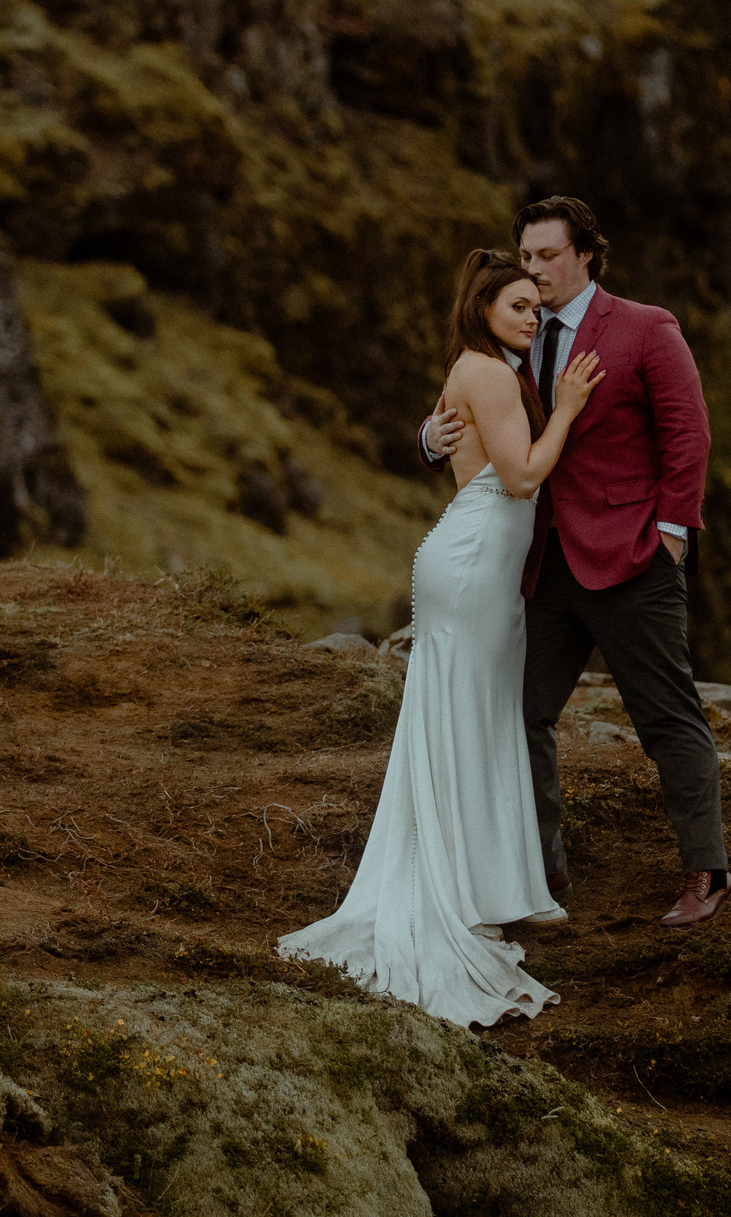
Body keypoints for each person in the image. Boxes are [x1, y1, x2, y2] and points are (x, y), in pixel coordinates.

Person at [279, 249, 603, 1026]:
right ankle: (461, 887)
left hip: (476, 562)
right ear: (485, 306)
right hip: (474, 564)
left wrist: (433, 436)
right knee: (469, 716)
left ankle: (480, 880)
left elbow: (452, 440)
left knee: (473, 716)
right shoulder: (489, 373)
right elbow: (521, 476)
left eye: (536, 307)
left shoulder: (476, 366)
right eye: (517, 305)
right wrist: (566, 408)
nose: (531, 317)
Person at [420, 196, 731, 928]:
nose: (533, 270)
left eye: (547, 256)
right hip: (541, 565)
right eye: (525, 256)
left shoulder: (647, 327)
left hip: (633, 559)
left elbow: (688, 435)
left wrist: (672, 534)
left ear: (586, 254)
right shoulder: (515, 329)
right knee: (521, 714)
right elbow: (466, 402)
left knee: (666, 716)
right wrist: (429, 438)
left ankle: (707, 871)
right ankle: (540, 872)